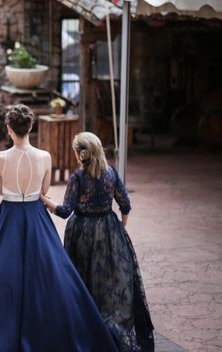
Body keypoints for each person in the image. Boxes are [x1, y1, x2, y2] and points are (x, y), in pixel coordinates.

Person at [0, 104, 117, 352]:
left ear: (8, 129)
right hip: (36, 216)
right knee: (51, 273)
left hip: (9, 217)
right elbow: (44, 191)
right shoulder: (45, 156)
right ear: (31, 127)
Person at [40, 132, 154, 352]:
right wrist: (121, 225)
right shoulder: (111, 172)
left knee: (84, 280)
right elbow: (125, 204)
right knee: (108, 283)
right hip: (110, 232)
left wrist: (44, 200)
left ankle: (87, 328)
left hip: (82, 233)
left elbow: (65, 211)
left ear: (78, 153)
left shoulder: (78, 177)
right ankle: (110, 328)